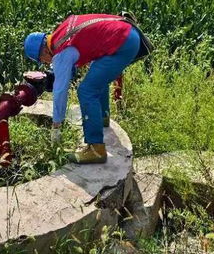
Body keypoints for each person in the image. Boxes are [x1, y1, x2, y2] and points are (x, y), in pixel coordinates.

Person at [24, 14, 141, 164]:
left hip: (122, 43)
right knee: (96, 75)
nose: (47, 64)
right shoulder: (61, 31)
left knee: (86, 91)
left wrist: (56, 125)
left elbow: (60, 91)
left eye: (42, 61)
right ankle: (101, 118)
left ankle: (95, 149)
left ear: (44, 52)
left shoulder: (61, 53)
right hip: (128, 33)